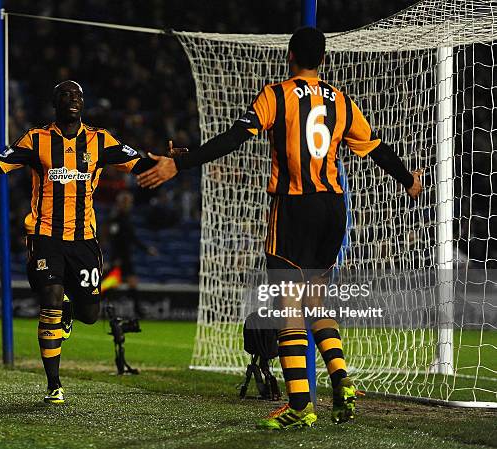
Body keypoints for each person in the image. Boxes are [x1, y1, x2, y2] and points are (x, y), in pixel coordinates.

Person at [137, 27, 423, 429]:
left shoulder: (275, 94)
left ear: (290, 55)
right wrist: (408, 179)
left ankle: (300, 404)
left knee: (289, 306)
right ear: (323, 59)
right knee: (316, 303)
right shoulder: (341, 100)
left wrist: (179, 164)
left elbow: (234, 139)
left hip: (294, 207)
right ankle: (341, 378)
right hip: (333, 208)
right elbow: (376, 148)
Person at [0, 80, 159, 404]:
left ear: (84, 103)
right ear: (55, 102)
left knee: (90, 314)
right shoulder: (37, 139)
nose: (72, 99)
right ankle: (54, 384)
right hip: (45, 235)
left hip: (84, 240)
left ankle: (68, 312)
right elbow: (3, 161)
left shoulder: (100, 139)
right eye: (65, 94)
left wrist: (171, 162)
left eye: (77, 94)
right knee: (50, 298)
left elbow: (139, 163)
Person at [106, 190, 158, 317]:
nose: (130, 204)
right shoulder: (117, 219)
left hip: (125, 256)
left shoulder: (126, 218)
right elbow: (115, 239)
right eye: (128, 202)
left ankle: (137, 310)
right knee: (111, 284)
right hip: (119, 257)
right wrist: (116, 257)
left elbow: (132, 238)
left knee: (130, 282)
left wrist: (146, 249)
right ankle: (102, 308)